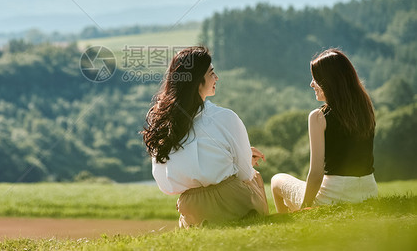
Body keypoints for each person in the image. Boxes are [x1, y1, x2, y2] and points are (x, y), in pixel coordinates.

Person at [142, 46, 268, 228]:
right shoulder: (225, 117)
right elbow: (244, 173)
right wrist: (245, 159)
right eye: (211, 73)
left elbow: (165, 184)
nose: (216, 78)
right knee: (255, 176)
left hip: (192, 209)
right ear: (197, 80)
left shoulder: (161, 122)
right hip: (232, 202)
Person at [271, 48, 378, 213]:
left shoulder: (318, 117)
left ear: (328, 82)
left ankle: (290, 223)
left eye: (315, 79)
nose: (311, 84)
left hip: (335, 194)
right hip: (369, 191)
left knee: (277, 180)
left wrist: (304, 207)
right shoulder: (365, 107)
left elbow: (316, 173)